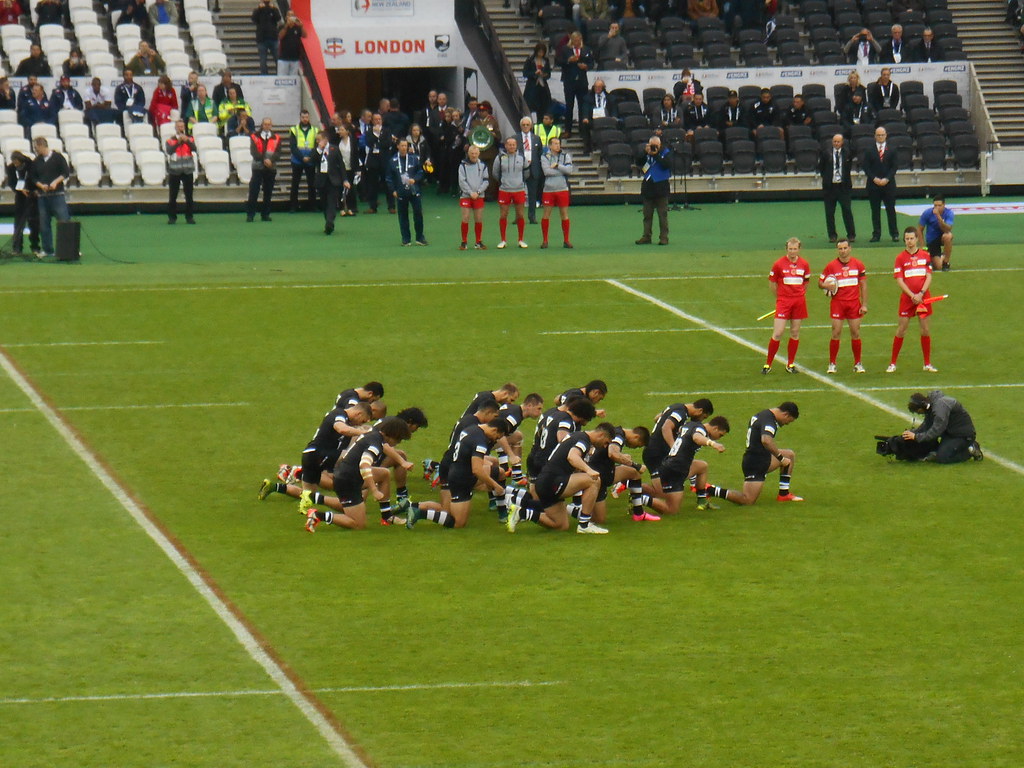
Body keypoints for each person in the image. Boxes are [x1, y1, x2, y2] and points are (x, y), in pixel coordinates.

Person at [302, 417, 412, 532]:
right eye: (399, 440)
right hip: (348, 481)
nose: (398, 443)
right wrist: (374, 490)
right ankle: (317, 515)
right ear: (393, 435)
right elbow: (364, 465)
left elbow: (386, 448)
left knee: (384, 474)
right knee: (358, 524)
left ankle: (387, 517)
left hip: (348, 474)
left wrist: (402, 462)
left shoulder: (375, 435)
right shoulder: (374, 445)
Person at [507, 423, 615, 534]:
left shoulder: (577, 436)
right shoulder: (583, 440)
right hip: (552, 481)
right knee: (594, 481)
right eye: (606, 442)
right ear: (601, 435)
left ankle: (522, 513)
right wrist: (589, 470)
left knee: (561, 525)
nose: (605, 446)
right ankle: (584, 525)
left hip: (545, 482)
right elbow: (572, 457)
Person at [407, 418, 512, 529]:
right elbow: (477, 469)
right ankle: (419, 513)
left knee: (499, 473)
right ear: (495, 430)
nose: (495, 440)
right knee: (458, 523)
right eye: (497, 437)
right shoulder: (480, 441)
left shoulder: (471, 429)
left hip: (459, 472)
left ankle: (503, 512)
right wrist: (495, 486)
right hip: (461, 480)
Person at [707, 402, 803, 505]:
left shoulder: (764, 414)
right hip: (756, 463)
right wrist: (781, 458)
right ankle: (710, 490)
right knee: (747, 500)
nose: (785, 424)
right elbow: (766, 440)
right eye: (787, 421)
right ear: (785, 414)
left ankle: (783, 494)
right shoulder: (769, 420)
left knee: (789, 455)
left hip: (761, 457)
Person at [638, 416, 729, 516]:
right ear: (715, 428)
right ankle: (639, 499)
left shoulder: (690, 424)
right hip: (675, 470)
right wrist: (712, 443)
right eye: (720, 435)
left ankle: (702, 502)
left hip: (674, 464)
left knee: (702, 466)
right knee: (671, 510)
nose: (719, 438)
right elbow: (696, 437)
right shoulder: (700, 430)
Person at [888, 227, 938, 373]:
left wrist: (921, 293)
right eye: (907, 239)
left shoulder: (925, 255)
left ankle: (927, 363)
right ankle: (892, 363)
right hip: (907, 298)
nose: (909, 241)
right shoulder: (900, 258)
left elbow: (929, 276)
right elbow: (899, 279)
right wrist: (912, 295)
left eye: (912, 238)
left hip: (923, 298)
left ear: (917, 239)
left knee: (925, 329)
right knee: (902, 329)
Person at [819, 238, 868, 374]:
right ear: (837, 250)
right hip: (838, 304)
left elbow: (863, 285)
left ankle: (858, 363)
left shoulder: (858, 264)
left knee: (855, 333)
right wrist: (825, 285)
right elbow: (820, 282)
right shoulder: (831, 266)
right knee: (836, 333)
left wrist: (864, 304)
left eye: (845, 248)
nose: (843, 251)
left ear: (850, 248)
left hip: (853, 303)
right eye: (840, 248)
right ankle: (832, 363)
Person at [763, 237, 811, 374]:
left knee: (795, 332)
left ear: (799, 249)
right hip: (784, 302)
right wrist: (780, 298)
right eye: (790, 249)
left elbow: (806, 283)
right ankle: (768, 364)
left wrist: (799, 294)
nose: (792, 251)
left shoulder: (804, 264)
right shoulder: (778, 264)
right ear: (786, 249)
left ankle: (790, 364)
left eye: (795, 249)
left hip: (799, 301)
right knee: (778, 333)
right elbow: (772, 283)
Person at [900, 391, 982, 463]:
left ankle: (970, 449)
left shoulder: (940, 408)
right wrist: (913, 433)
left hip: (963, 435)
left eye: (919, 411)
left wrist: (916, 437)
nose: (920, 414)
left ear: (923, 406)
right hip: (950, 433)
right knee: (937, 450)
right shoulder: (932, 405)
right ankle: (942, 450)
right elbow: (927, 424)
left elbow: (937, 430)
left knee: (943, 458)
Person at [30, 137, 70, 260]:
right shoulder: (37, 161)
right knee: (44, 224)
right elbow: (33, 178)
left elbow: (65, 173)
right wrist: (41, 185)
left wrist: (55, 183)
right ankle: (48, 249)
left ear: (42, 146)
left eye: (36, 148)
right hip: (43, 196)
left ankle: (69, 249)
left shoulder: (58, 157)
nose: (36, 150)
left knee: (64, 222)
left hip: (57, 195)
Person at [386, 138, 428, 246]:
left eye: (406, 146)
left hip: (414, 191)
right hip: (401, 192)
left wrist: (415, 179)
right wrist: (393, 190)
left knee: (418, 213)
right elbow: (389, 178)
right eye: (402, 146)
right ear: (398, 147)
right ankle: (406, 239)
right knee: (403, 215)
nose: (404, 148)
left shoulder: (414, 159)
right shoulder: (392, 161)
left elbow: (420, 171)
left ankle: (420, 237)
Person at [863, 126, 899, 243]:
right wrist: (874, 178)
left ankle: (894, 233)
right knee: (875, 211)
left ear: (886, 135)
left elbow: (894, 167)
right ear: (875, 136)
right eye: (878, 135)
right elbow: (866, 167)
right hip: (874, 186)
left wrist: (887, 179)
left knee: (891, 209)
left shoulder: (892, 149)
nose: (880, 137)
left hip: (888, 185)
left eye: (882, 135)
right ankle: (876, 234)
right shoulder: (869, 150)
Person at [557, 31, 594, 137]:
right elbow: (559, 62)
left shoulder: (586, 49)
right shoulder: (565, 49)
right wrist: (568, 60)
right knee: (569, 106)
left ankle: (582, 130)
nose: (577, 42)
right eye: (575, 40)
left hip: (582, 82)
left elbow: (591, 63)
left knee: (583, 106)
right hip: (569, 81)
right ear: (572, 40)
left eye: (579, 40)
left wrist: (586, 66)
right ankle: (568, 130)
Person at [493, 136, 528, 249]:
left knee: (520, 215)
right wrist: (504, 182)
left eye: (513, 144)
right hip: (505, 190)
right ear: (506, 146)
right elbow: (495, 173)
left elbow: (526, 172)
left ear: (516, 146)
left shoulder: (522, 157)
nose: (511, 146)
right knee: (503, 215)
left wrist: (519, 182)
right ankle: (503, 240)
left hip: (519, 189)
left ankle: (521, 240)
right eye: (509, 144)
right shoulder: (500, 158)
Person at [636, 136, 671, 246]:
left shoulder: (666, 152)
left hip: (661, 187)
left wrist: (656, 155)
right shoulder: (647, 153)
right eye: (652, 145)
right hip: (648, 186)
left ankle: (664, 237)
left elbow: (667, 165)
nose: (654, 147)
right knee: (647, 215)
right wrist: (644, 152)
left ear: (660, 145)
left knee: (662, 215)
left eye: (656, 145)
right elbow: (639, 162)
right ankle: (646, 236)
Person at [821, 133, 856, 244]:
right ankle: (832, 235)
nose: (836, 143)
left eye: (838, 141)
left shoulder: (847, 153)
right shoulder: (826, 153)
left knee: (847, 210)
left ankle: (851, 234)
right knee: (830, 212)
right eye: (834, 141)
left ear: (842, 142)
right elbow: (821, 167)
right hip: (830, 188)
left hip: (843, 187)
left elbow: (848, 167)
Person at [313, 129, 348, 234]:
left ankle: (329, 223)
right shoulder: (316, 150)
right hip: (321, 181)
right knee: (324, 203)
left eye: (319, 140)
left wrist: (345, 179)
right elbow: (312, 160)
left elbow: (341, 165)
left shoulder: (334, 149)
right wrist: (319, 148)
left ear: (325, 139)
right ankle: (327, 220)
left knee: (332, 203)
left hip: (333, 181)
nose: (318, 142)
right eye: (316, 140)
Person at [540, 135, 572, 249]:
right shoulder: (544, 156)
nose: (557, 146)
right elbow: (546, 171)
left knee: (564, 214)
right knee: (546, 214)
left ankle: (566, 240)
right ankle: (545, 240)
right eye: (555, 144)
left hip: (562, 189)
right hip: (549, 189)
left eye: (558, 144)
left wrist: (558, 166)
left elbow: (569, 170)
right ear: (550, 146)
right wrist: (561, 171)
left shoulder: (565, 156)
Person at [246, 117, 281, 223]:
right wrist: (264, 160)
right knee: (254, 191)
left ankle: (265, 214)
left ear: (271, 125)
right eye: (265, 124)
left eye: (268, 124)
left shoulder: (277, 138)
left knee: (268, 192)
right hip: (257, 167)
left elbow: (278, 152)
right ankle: (250, 214)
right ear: (262, 125)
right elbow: (254, 151)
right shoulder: (254, 136)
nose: (267, 126)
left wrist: (271, 160)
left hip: (271, 168)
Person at [6, 151, 40, 257]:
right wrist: (20, 190)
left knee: (34, 223)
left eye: (17, 163)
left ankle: (35, 247)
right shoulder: (11, 168)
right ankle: (17, 248)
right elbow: (11, 182)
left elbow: (35, 178)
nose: (16, 165)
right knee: (19, 223)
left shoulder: (31, 165)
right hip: (20, 198)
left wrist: (33, 190)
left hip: (32, 197)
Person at [165, 119, 197, 225]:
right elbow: (169, 151)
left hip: (188, 170)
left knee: (189, 195)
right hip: (175, 170)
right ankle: (172, 217)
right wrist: (178, 143)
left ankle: (189, 217)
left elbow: (194, 148)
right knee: (173, 195)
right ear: (175, 128)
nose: (181, 128)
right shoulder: (170, 140)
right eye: (179, 126)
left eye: (182, 126)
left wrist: (186, 140)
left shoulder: (190, 138)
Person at [458, 144, 488, 250]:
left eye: (476, 153)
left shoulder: (483, 165)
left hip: (479, 195)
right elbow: (462, 181)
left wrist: (478, 192)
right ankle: (464, 242)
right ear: (468, 154)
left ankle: (478, 241)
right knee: (465, 217)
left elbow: (486, 181)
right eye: (472, 153)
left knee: (478, 218)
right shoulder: (462, 165)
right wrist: (470, 192)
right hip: (466, 195)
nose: (474, 155)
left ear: (479, 154)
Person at [288, 109, 317, 212]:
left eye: (306, 117)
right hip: (297, 160)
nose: (305, 119)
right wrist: (302, 157)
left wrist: (310, 157)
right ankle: (293, 206)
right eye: (303, 117)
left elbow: (317, 145)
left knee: (312, 184)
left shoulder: (315, 130)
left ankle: (312, 206)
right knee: (295, 183)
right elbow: (293, 146)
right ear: (300, 118)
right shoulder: (294, 129)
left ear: (309, 118)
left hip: (310, 160)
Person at [918, 194, 954, 271]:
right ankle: (939, 258)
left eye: (939, 205)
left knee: (948, 236)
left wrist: (938, 217)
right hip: (932, 240)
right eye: (935, 205)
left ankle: (946, 262)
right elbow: (919, 229)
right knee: (937, 267)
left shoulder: (949, 213)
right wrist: (923, 246)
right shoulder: (927, 213)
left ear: (944, 205)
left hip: (942, 236)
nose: (937, 208)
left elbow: (947, 229)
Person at [517, 116, 543, 223]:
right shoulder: (516, 138)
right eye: (524, 125)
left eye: (528, 125)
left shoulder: (536, 138)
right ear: (520, 126)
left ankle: (532, 216)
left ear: (531, 126)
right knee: (518, 195)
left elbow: (540, 153)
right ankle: (518, 217)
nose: (526, 127)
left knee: (532, 194)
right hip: (519, 169)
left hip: (533, 169)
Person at [579, 78, 613, 154]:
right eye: (595, 87)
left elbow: (613, 109)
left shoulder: (609, 97)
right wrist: (585, 117)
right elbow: (585, 108)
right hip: (593, 120)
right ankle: (588, 148)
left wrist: (613, 117)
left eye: (599, 87)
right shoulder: (588, 97)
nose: (597, 88)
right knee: (585, 125)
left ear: (603, 87)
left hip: (606, 120)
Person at [334, 124, 359, 215]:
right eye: (339, 130)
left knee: (351, 188)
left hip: (351, 168)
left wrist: (357, 169)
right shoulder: (337, 141)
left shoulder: (353, 141)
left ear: (347, 131)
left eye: (342, 130)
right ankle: (341, 208)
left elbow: (356, 155)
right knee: (340, 188)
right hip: (340, 169)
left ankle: (352, 207)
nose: (339, 131)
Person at [522, 43, 552, 120]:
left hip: (542, 87)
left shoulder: (546, 60)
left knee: (543, 108)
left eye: (542, 52)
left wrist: (544, 74)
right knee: (530, 107)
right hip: (532, 87)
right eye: (539, 52)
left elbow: (548, 74)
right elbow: (525, 73)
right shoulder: (530, 60)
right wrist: (534, 73)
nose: (541, 54)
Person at [252, 0, 282, 75]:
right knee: (263, 60)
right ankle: (264, 76)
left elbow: (278, 18)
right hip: (262, 39)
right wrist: (259, 9)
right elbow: (254, 19)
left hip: (273, 38)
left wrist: (273, 9)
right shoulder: (257, 10)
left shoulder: (274, 9)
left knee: (277, 59)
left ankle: (280, 74)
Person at [277, 10, 305, 76]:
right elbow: (280, 36)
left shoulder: (297, 28)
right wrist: (286, 26)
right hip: (284, 58)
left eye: (292, 15)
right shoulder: (282, 26)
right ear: (286, 17)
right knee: (282, 77)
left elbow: (305, 35)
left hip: (295, 58)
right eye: (289, 15)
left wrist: (301, 26)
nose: (291, 17)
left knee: (293, 78)